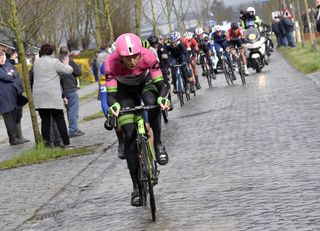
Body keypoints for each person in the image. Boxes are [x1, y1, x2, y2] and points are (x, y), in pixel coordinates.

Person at [104, 33, 170, 206]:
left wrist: (163, 98)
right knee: (129, 135)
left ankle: (158, 143)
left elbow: (161, 84)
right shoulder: (110, 63)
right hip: (124, 91)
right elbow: (110, 95)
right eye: (127, 58)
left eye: (135, 57)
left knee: (152, 102)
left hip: (145, 84)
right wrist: (114, 106)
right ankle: (136, 188)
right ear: (120, 57)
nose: (132, 61)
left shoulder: (148, 55)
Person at [32, 43, 73, 148]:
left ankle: (47, 146)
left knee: (45, 121)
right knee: (59, 118)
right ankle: (66, 143)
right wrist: (66, 63)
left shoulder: (36, 63)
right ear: (51, 52)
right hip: (52, 95)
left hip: (39, 96)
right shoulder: (54, 62)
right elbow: (68, 71)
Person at [59, 46, 84, 138]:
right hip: (71, 88)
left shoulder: (57, 61)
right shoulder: (69, 60)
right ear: (67, 52)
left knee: (69, 110)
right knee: (73, 111)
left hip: (62, 90)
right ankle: (73, 129)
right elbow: (78, 72)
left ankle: (73, 128)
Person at [0, 50, 25, 145]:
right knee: (9, 119)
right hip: (4, 99)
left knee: (14, 117)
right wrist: (10, 75)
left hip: (11, 97)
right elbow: (6, 78)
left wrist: (11, 74)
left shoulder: (6, 66)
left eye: (2, 57)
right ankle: (13, 139)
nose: (1, 59)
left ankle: (16, 137)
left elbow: (14, 74)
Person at [5, 49, 30, 142]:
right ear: (12, 55)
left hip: (15, 94)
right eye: (15, 54)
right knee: (16, 116)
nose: (16, 56)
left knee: (17, 115)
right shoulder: (9, 66)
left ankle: (19, 137)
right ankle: (17, 137)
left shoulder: (10, 65)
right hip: (14, 95)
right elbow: (13, 80)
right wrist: (19, 90)